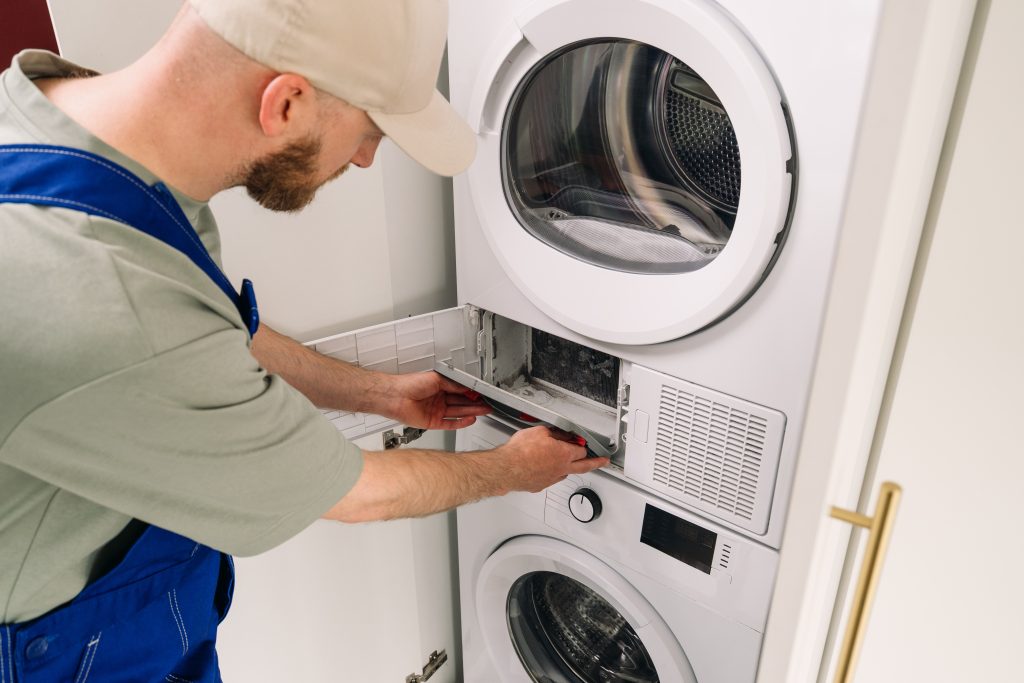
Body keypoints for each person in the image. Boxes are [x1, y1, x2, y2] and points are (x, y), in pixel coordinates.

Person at [0, 0, 608, 680]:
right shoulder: (104, 297)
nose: (368, 157)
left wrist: (380, 393)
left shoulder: (46, 118)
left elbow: (212, 328)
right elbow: (354, 492)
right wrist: (512, 470)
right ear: (286, 102)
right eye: (370, 129)